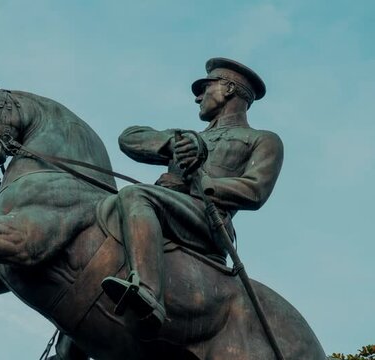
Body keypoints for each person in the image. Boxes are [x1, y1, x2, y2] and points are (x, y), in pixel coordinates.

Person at [101, 57, 284, 331]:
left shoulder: (262, 139)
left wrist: (196, 184)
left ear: (228, 89)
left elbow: (255, 191)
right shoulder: (189, 137)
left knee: (135, 195)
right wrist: (176, 142)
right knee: (102, 228)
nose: (198, 98)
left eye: (205, 88)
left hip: (209, 222)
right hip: (169, 210)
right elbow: (128, 138)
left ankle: (148, 293)